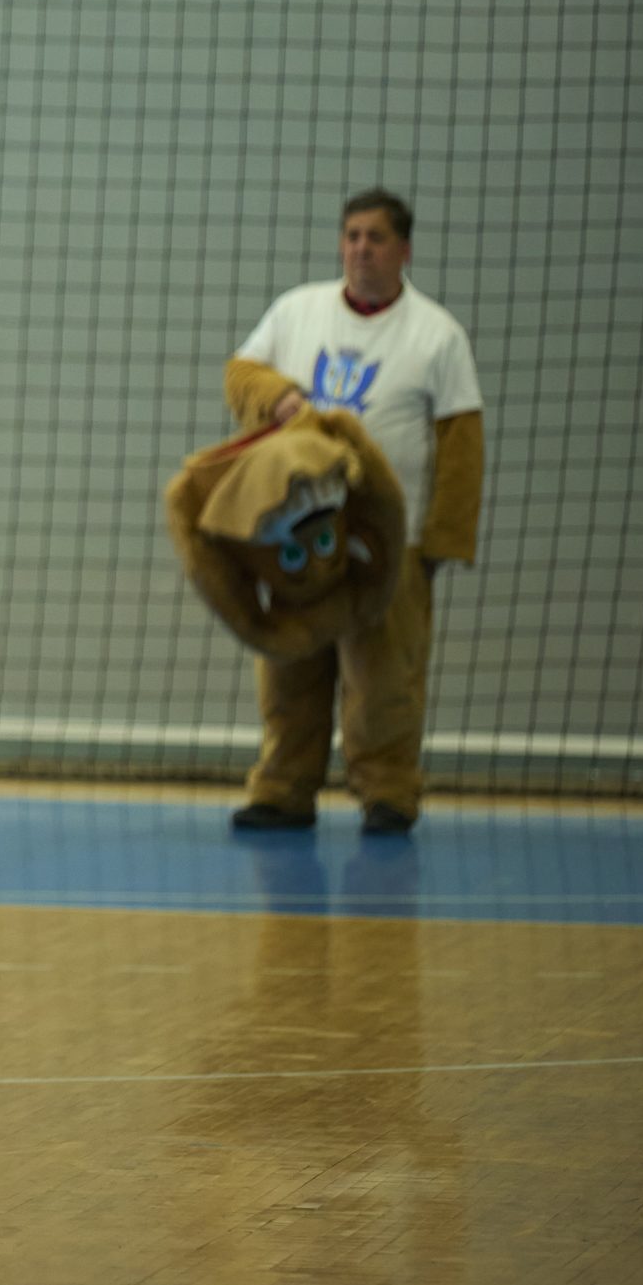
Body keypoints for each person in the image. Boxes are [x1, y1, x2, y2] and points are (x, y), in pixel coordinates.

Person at [223, 189, 485, 835]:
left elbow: (461, 445)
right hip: (298, 531)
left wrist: (440, 542)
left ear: (404, 250)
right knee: (288, 669)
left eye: (375, 237)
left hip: (390, 541)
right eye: (352, 236)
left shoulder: (437, 335)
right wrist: (278, 397)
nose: (361, 248)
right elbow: (240, 374)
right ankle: (283, 788)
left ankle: (388, 793)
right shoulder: (296, 311)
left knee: (385, 678)